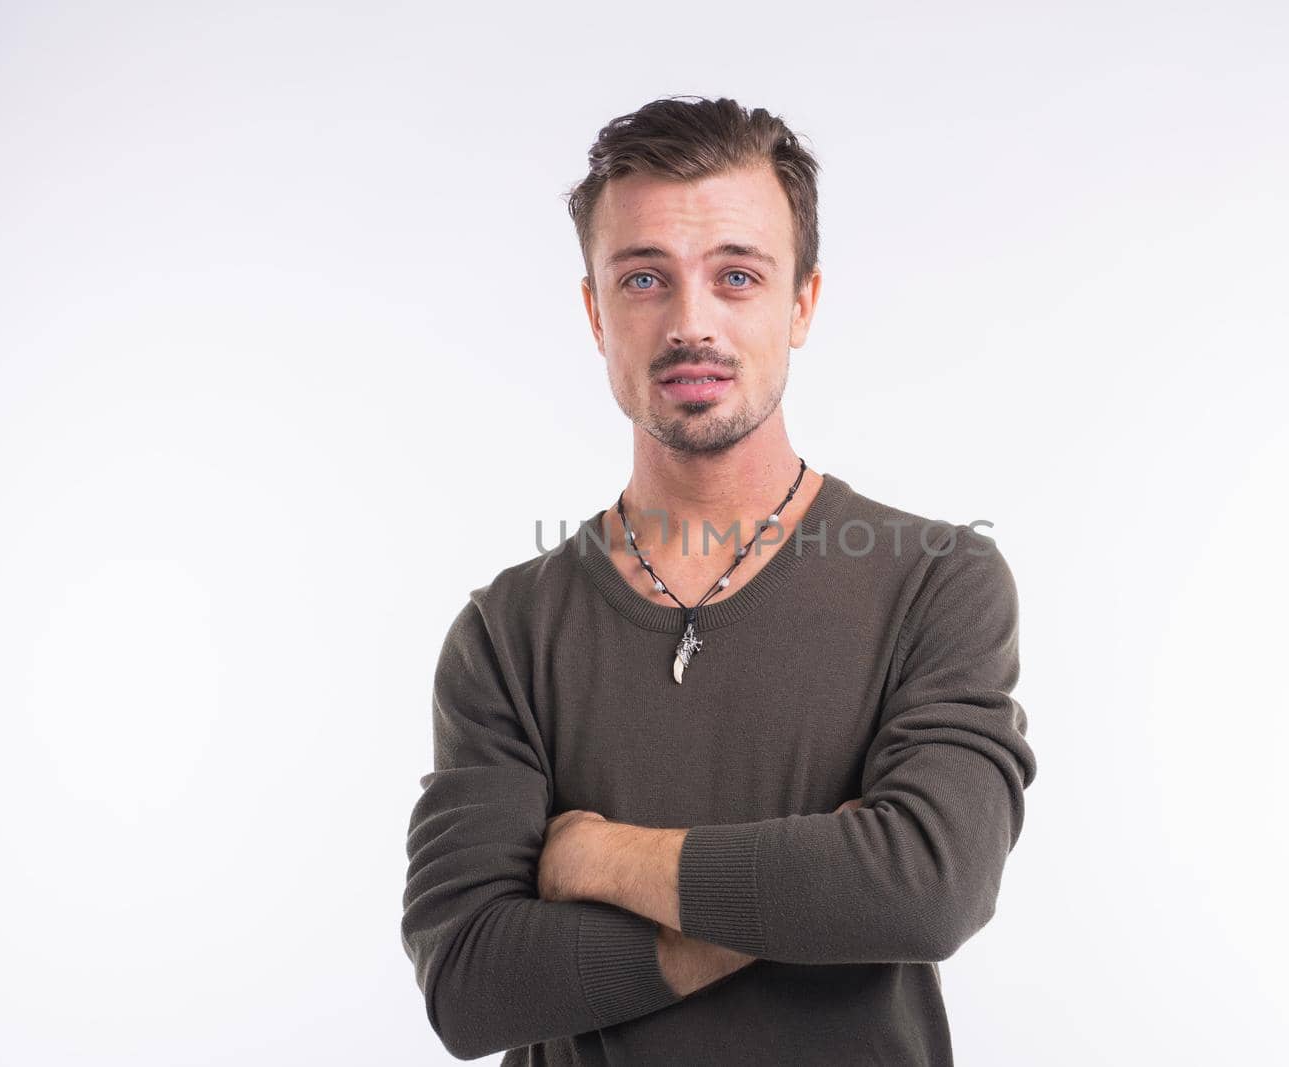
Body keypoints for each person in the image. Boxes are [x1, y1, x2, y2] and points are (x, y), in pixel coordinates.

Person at [400, 95, 1037, 1065]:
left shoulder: (934, 581)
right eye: (645, 277)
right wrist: (822, 891)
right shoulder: (507, 631)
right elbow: (473, 984)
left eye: (736, 275)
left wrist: (602, 858)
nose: (690, 322)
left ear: (802, 305)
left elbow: (929, 882)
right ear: (594, 312)